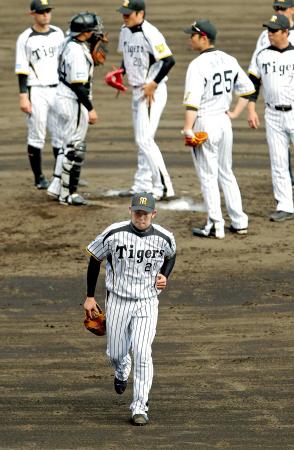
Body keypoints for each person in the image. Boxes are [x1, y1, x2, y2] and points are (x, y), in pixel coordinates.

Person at [83, 192, 176, 426]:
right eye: (137, 212)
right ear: (130, 211)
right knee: (116, 352)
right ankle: (122, 367)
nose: (141, 217)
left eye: (145, 214)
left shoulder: (164, 237)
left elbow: (171, 255)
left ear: (153, 214)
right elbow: (95, 258)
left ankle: (140, 406)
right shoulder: (114, 233)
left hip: (147, 302)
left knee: (143, 353)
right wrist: (90, 297)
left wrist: (164, 275)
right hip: (118, 301)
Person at [182, 19, 255, 239]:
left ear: (203, 37)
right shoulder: (229, 59)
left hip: (205, 121)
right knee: (226, 172)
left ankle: (215, 225)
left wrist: (187, 128)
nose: (189, 39)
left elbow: (192, 103)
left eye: (192, 35)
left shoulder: (197, 65)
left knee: (207, 175)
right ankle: (239, 221)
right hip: (224, 123)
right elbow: (248, 89)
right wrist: (234, 113)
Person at [116, 0, 176, 201]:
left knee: (144, 139)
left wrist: (154, 83)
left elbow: (169, 60)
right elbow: (126, 57)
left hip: (151, 93)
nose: (125, 17)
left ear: (140, 13)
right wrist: (120, 71)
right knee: (142, 140)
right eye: (123, 13)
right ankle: (142, 184)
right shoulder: (124, 30)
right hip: (137, 91)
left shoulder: (151, 33)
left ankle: (164, 186)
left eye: (128, 13)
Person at [46, 12, 101, 205]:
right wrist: (91, 109)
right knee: (74, 147)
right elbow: (79, 85)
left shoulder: (67, 42)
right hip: (72, 101)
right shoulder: (77, 52)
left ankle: (55, 187)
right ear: (85, 33)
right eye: (93, 31)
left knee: (66, 143)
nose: (96, 33)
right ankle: (67, 194)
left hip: (60, 95)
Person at [247, 14, 294, 222]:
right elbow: (253, 83)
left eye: (274, 31)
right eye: (268, 30)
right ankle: (285, 205)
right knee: (278, 161)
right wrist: (251, 109)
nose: (269, 34)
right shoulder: (261, 55)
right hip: (272, 114)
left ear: (286, 32)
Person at [15, 0, 64, 189]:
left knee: (61, 136)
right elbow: (22, 68)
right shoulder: (25, 38)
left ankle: (60, 176)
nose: (45, 15)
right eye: (42, 12)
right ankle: (39, 178)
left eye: (48, 11)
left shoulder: (58, 33)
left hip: (58, 90)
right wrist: (23, 95)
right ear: (32, 14)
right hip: (36, 91)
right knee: (37, 135)